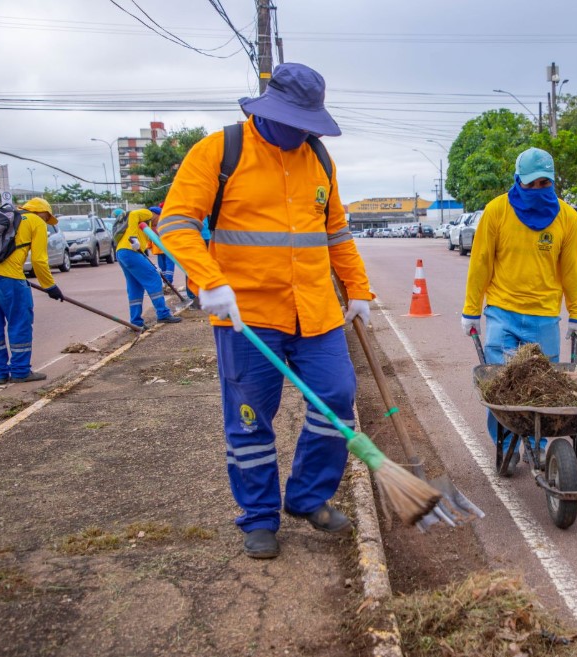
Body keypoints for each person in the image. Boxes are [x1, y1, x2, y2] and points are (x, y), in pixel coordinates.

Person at [159, 62, 373, 559]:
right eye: (293, 121)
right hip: (247, 315)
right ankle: (258, 516)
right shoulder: (219, 151)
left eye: (308, 124)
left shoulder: (319, 159)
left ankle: (308, 496)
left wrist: (358, 290)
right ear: (267, 109)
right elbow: (174, 224)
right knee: (251, 419)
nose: (301, 132)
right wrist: (208, 281)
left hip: (315, 310)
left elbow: (336, 232)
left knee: (337, 398)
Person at [460, 147, 577, 471]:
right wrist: (471, 310)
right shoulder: (497, 211)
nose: (536, 190)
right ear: (518, 180)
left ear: (553, 181)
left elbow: (573, 270)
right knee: (501, 389)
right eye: (530, 184)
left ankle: (539, 446)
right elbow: (481, 264)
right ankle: (505, 443)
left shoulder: (567, 218)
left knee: (544, 393)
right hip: (502, 313)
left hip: (544, 318)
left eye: (544, 183)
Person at [0, 197, 65, 385]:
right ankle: (21, 371)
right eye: (48, 218)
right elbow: (39, 260)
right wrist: (50, 287)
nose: (47, 222)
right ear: (44, 213)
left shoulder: (5, 217)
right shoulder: (36, 221)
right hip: (10, 278)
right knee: (19, 322)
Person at [115, 207, 182, 330]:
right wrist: (133, 237)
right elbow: (134, 214)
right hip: (130, 251)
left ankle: (135, 322)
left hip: (122, 252)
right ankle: (163, 313)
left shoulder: (145, 226)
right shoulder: (147, 213)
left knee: (135, 286)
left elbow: (157, 240)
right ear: (156, 215)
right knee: (154, 279)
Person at [148, 205, 175, 285]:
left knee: (162, 266)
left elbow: (150, 236)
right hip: (168, 247)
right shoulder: (165, 221)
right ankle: (168, 281)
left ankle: (165, 281)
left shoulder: (151, 224)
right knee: (169, 265)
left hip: (159, 248)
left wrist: (149, 245)